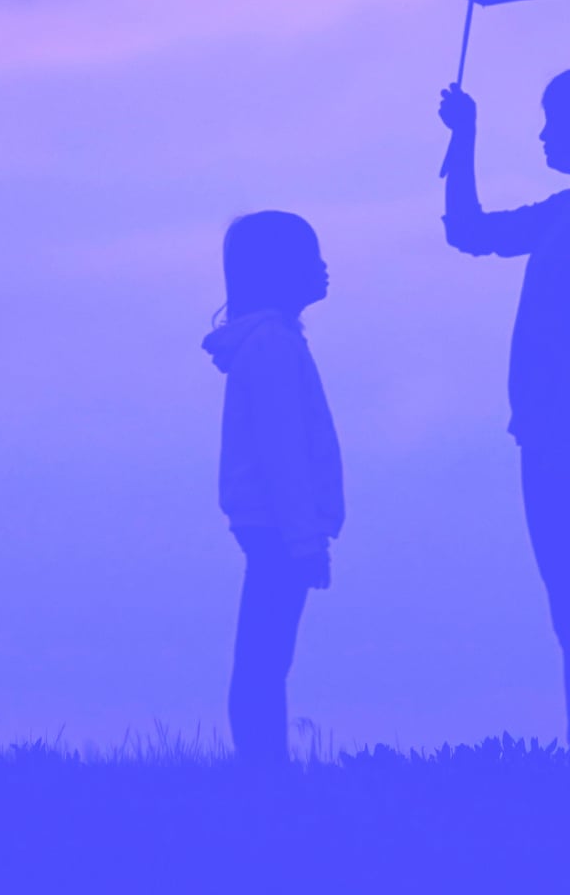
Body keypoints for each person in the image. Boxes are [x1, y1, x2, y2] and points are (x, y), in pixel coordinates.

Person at [437, 63, 570, 765]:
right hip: (559, 437)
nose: (543, 134)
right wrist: (462, 139)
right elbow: (469, 232)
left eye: (555, 121)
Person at [201, 209, 345, 765]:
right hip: (279, 529)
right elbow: (284, 452)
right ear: (280, 271)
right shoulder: (273, 345)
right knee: (266, 657)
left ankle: (263, 766)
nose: (325, 267)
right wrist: (306, 540)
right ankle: (263, 770)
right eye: (311, 257)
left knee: (265, 653)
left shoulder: (273, 342)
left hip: (275, 527)